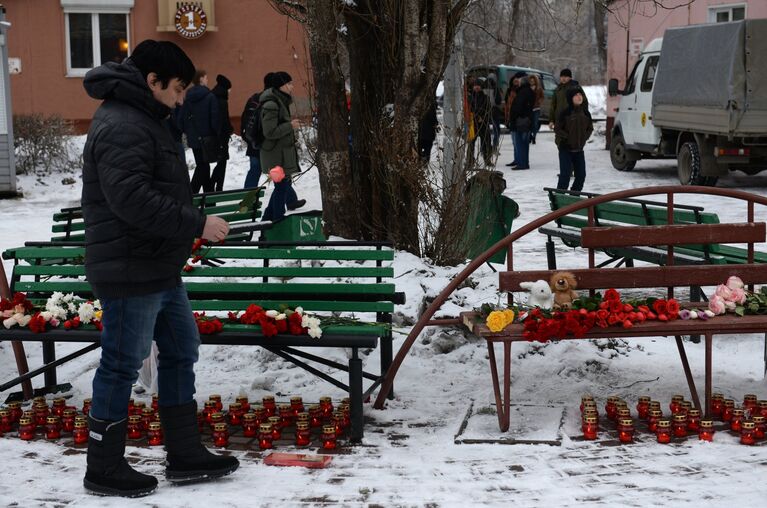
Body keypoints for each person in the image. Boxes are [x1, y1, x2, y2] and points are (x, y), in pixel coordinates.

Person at [81, 39, 238, 497]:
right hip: (130, 268)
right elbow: (130, 199)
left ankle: (184, 452)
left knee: (180, 348)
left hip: (156, 265)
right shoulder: (123, 123)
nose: (182, 97)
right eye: (178, 88)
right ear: (152, 81)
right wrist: (196, 223)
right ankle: (104, 467)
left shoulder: (144, 117)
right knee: (121, 364)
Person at [259, 71, 306, 221]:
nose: (292, 86)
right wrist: (290, 126)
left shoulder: (280, 101)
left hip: (280, 155)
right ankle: (277, 219)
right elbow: (269, 132)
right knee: (281, 187)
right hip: (274, 156)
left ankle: (268, 218)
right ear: (281, 86)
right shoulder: (272, 104)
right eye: (289, 83)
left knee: (282, 187)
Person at [179, 69, 220, 193]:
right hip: (208, 138)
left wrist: (189, 132)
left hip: (194, 138)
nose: (208, 80)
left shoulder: (187, 97)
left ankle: (209, 196)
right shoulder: (210, 96)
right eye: (206, 77)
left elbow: (182, 118)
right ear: (201, 79)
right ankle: (192, 193)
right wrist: (216, 134)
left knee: (203, 166)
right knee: (203, 167)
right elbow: (215, 118)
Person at [554, 89, 593, 191]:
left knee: (581, 176)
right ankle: (560, 198)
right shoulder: (565, 113)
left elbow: (590, 128)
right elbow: (557, 128)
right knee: (565, 176)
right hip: (566, 149)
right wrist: (567, 138)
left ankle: (574, 197)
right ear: (570, 98)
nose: (579, 97)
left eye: (580, 94)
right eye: (575, 95)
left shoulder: (585, 113)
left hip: (579, 150)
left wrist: (584, 137)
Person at [242, 73, 274, 188]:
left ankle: (246, 201)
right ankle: (290, 199)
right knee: (277, 172)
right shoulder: (272, 100)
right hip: (267, 143)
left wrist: (246, 137)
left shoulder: (253, 98)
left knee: (255, 170)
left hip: (253, 142)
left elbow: (244, 118)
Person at [210, 74, 233, 191]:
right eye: (229, 89)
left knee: (221, 161)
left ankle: (216, 185)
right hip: (221, 136)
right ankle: (217, 186)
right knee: (222, 162)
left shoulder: (213, 97)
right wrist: (229, 129)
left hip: (215, 135)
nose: (230, 92)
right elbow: (224, 120)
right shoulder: (222, 100)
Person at [508, 74, 535, 170]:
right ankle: (524, 162)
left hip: (520, 121)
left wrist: (513, 118)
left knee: (520, 143)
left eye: (519, 82)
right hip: (527, 120)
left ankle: (522, 163)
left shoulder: (522, 92)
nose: (518, 83)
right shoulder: (530, 91)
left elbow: (517, 107)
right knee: (524, 144)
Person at [468, 77, 493, 167]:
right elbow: (469, 109)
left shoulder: (486, 98)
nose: (477, 87)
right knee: (471, 144)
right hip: (473, 124)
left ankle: (487, 160)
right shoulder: (469, 97)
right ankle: (470, 162)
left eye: (478, 85)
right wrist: (476, 116)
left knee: (486, 143)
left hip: (483, 123)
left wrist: (483, 117)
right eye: (475, 85)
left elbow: (488, 110)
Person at [503, 73, 522, 167]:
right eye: (515, 80)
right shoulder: (509, 91)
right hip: (511, 117)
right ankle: (516, 159)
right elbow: (506, 105)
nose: (516, 82)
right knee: (514, 140)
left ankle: (519, 159)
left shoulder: (521, 91)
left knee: (517, 141)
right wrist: (506, 118)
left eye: (518, 80)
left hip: (518, 118)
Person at [418, 97, 438, 163]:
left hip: (420, 134)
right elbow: (434, 121)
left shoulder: (418, 107)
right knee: (427, 150)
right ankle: (425, 164)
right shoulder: (431, 108)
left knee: (419, 150)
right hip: (429, 135)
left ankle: (419, 163)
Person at [527, 74, 545, 145]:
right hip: (529, 109)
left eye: (533, 80)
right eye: (530, 81)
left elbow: (542, 97)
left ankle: (534, 136)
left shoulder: (539, 88)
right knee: (529, 124)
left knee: (535, 124)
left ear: (535, 81)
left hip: (536, 109)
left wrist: (539, 101)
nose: (532, 82)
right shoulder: (527, 88)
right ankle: (530, 136)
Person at [487, 73, 503, 150]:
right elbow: (498, 101)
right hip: (494, 110)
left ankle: (485, 147)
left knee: (486, 131)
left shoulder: (483, 87)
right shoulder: (496, 88)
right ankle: (494, 146)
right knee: (496, 129)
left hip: (485, 111)